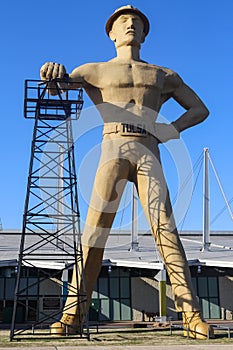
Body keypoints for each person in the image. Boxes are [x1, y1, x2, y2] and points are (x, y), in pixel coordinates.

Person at [40, 5, 214, 339]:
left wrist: (170, 130)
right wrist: (52, 71)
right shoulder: (94, 70)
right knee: (94, 233)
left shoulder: (164, 75)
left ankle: (191, 314)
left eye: (137, 21)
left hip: (149, 148)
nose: (130, 24)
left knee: (166, 231)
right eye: (123, 21)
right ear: (112, 33)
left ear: (146, 34)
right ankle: (72, 315)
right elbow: (57, 86)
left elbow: (199, 109)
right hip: (112, 146)